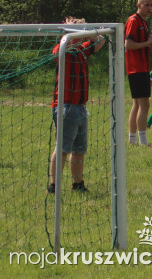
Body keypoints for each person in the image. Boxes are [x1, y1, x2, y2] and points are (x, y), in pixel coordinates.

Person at [48, 17, 106, 194]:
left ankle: (77, 184)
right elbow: (57, 52)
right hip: (65, 106)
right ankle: (53, 186)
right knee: (63, 149)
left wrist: (92, 32)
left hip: (80, 107)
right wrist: (71, 31)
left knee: (79, 149)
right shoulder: (64, 47)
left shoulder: (82, 49)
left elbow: (101, 41)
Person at [125, 0, 152, 146]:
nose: (149, 8)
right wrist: (146, 44)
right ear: (139, 5)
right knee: (144, 104)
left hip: (141, 67)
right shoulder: (133, 21)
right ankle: (143, 142)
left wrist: (150, 46)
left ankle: (132, 140)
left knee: (137, 105)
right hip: (136, 68)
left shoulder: (144, 23)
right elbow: (128, 45)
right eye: (146, 5)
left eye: (151, 5)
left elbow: (141, 44)